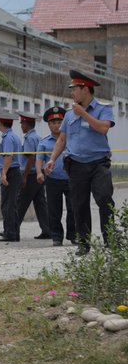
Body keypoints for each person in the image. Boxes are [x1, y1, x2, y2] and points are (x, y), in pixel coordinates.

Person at [44, 70, 115, 256]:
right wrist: (52, 159)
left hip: (99, 163)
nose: (72, 93)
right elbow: (62, 140)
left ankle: (110, 240)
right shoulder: (69, 115)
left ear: (85, 89)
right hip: (76, 165)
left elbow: (102, 128)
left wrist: (83, 113)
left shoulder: (103, 109)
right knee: (79, 205)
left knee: (104, 198)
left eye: (75, 89)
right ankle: (84, 243)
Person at [36, 107, 76, 247]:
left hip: (71, 178)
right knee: (54, 209)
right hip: (53, 179)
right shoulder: (44, 142)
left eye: (59, 121)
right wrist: (40, 173)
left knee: (73, 208)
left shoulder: (71, 139)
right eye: (53, 122)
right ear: (48, 124)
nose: (57, 125)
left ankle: (73, 235)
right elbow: (39, 159)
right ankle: (57, 236)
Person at [15, 112, 51, 239]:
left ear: (27, 124)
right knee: (40, 203)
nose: (21, 126)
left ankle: (13, 230)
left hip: (31, 174)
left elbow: (30, 158)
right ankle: (47, 230)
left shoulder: (29, 138)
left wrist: (24, 176)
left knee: (21, 202)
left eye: (22, 123)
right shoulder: (37, 137)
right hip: (38, 173)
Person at [0, 113, 22, 242]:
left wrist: (4, 173)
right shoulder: (13, 136)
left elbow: (8, 156)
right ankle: (12, 232)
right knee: (11, 204)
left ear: (1, 124)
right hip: (14, 172)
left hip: (11, 172)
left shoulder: (8, 138)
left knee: (8, 205)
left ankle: (10, 233)